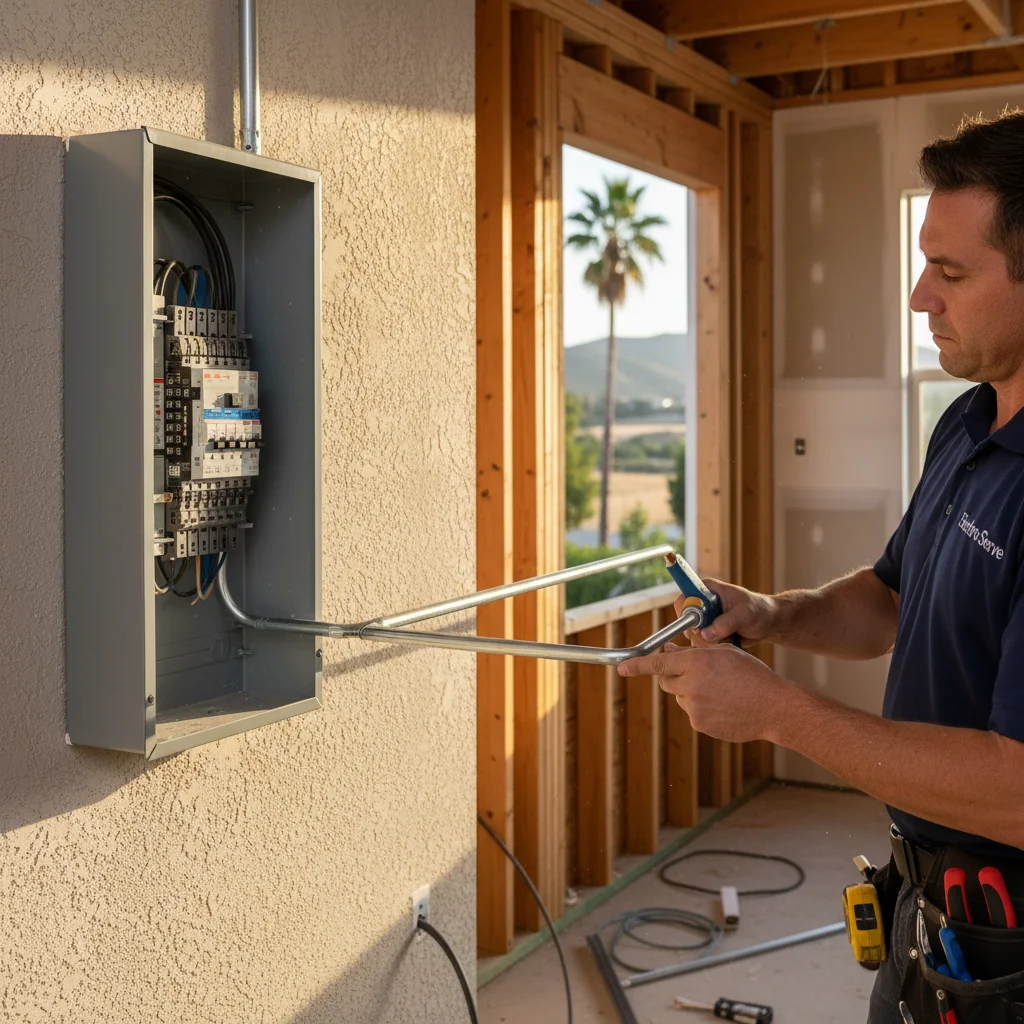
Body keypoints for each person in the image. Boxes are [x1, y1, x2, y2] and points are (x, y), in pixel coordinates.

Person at [617, 110, 1024, 1022]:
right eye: (926, 264)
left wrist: (779, 713)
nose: (922, 296)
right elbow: (890, 596)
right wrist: (772, 612)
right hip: (934, 912)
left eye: (951, 273)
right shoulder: (968, 423)